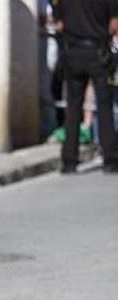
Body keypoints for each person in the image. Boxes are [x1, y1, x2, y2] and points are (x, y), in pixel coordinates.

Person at [52, 0, 118, 172]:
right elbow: (114, 25)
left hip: (73, 53)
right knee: (104, 107)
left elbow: (59, 25)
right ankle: (110, 159)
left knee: (73, 108)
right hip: (98, 53)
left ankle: (69, 161)